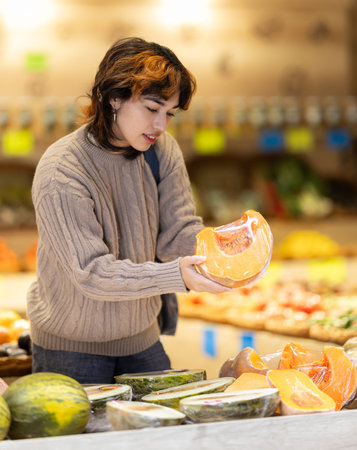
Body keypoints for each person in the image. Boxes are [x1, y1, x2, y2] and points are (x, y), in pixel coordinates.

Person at [27, 37, 230, 384]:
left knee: (167, 438)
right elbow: (91, 273)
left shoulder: (161, 151)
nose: (161, 126)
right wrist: (177, 276)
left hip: (142, 341)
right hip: (71, 351)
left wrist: (226, 248)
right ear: (113, 98)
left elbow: (177, 233)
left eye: (170, 113)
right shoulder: (62, 171)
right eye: (152, 109)